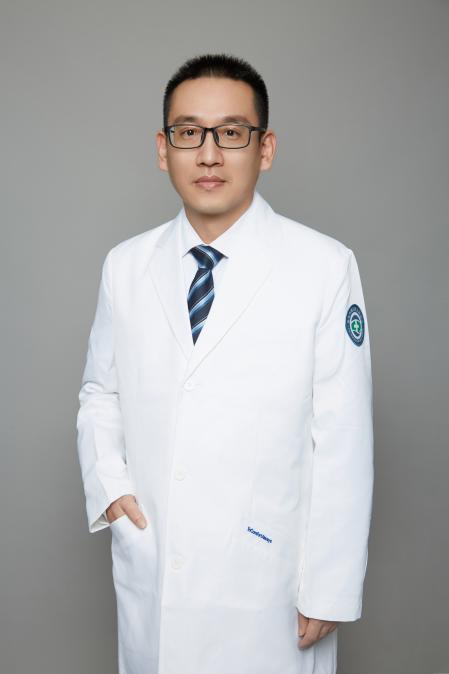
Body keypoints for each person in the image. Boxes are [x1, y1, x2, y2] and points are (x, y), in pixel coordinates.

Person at [76, 53, 374, 674]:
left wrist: (331, 585)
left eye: (232, 133)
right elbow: (100, 393)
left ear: (265, 149)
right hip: (156, 565)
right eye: (189, 133)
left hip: (268, 580)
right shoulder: (125, 266)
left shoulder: (324, 266)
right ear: (164, 150)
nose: (209, 154)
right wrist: (111, 489)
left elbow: (344, 437)